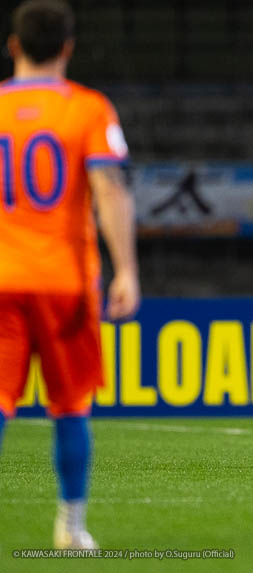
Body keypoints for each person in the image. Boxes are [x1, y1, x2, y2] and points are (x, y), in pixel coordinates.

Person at [0, 0, 139, 549]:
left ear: (14, 46)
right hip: (65, 284)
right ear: (67, 47)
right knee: (71, 406)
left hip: (1, 280)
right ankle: (70, 527)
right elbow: (109, 190)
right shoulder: (88, 109)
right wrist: (126, 270)